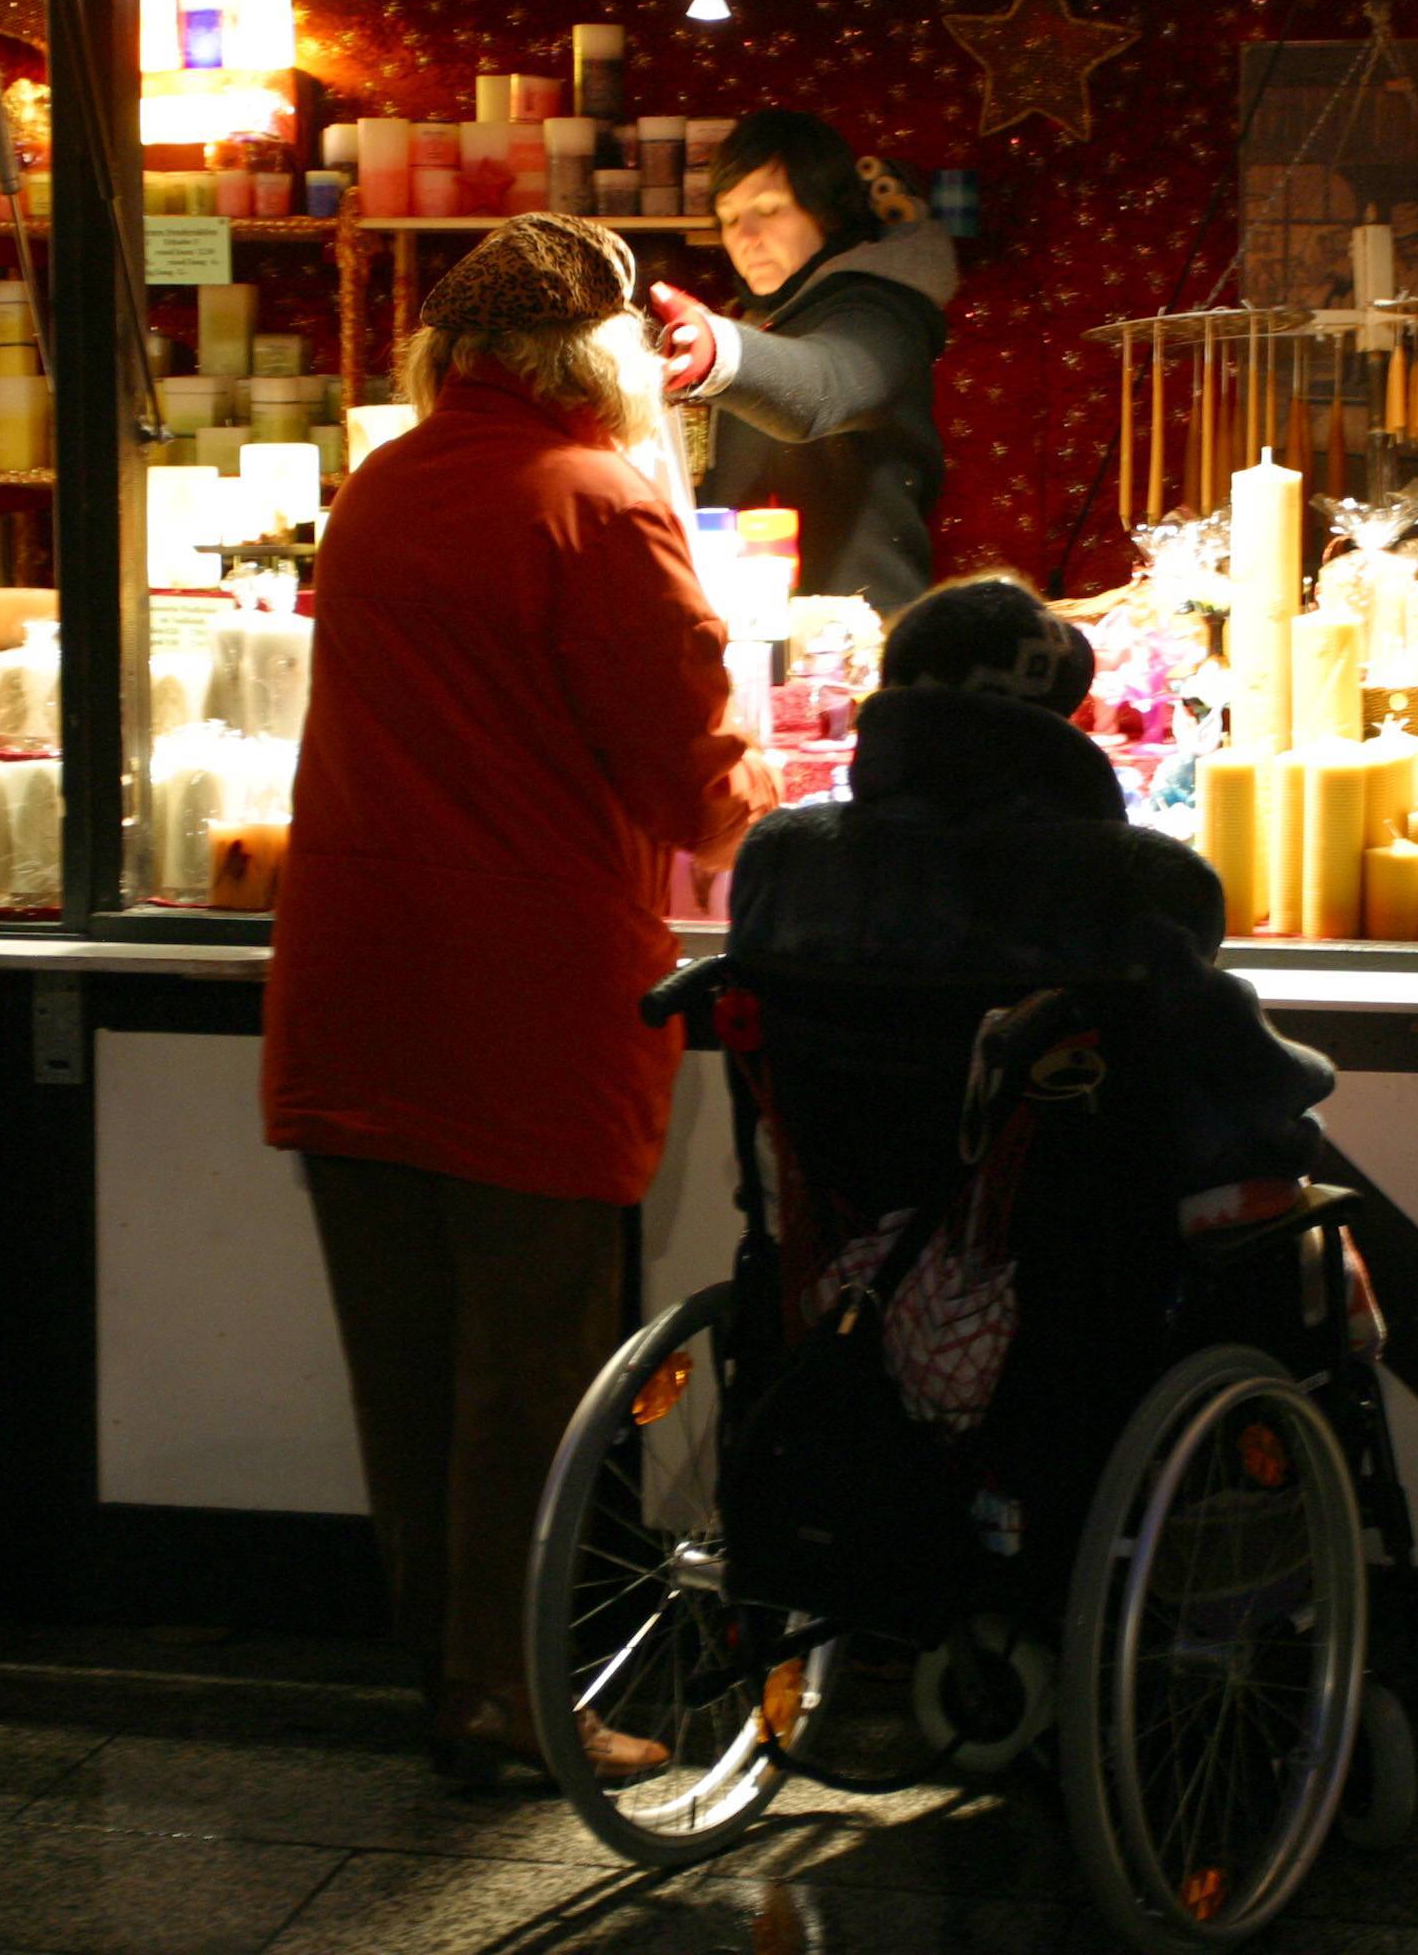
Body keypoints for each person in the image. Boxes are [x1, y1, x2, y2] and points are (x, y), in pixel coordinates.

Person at [261, 214, 775, 1778]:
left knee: (408, 1374)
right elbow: (699, 781)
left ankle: (447, 1673)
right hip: (524, 999)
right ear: (604, 355)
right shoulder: (601, 502)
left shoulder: (380, 486)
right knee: (533, 1373)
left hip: (355, 983)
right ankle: (507, 1696)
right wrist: (793, 814)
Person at [727, 574, 1335, 1201]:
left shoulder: (780, 857)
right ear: (1056, 718)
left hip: (837, 1234)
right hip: (1078, 1242)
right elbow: (1250, 1081)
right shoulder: (1144, 879)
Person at [650, 110, 956, 616]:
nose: (745, 236)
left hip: (861, 639)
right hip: (757, 633)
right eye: (729, 218)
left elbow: (822, 387)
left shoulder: (882, 311)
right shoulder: (757, 322)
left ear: (827, 212)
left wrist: (719, 352)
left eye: (769, 209)